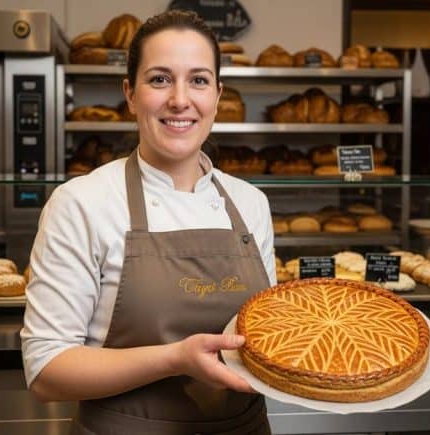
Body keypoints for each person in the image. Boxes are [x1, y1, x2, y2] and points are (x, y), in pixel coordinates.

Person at [21, 10, 276, 435]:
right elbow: (47, 370)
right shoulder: (82, 202)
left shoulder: (251, 204)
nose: (180, 99)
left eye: (198, 80)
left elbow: (265, 338)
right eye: (160, 79)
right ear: (131, 94)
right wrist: (174, 359)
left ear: (217, 95)